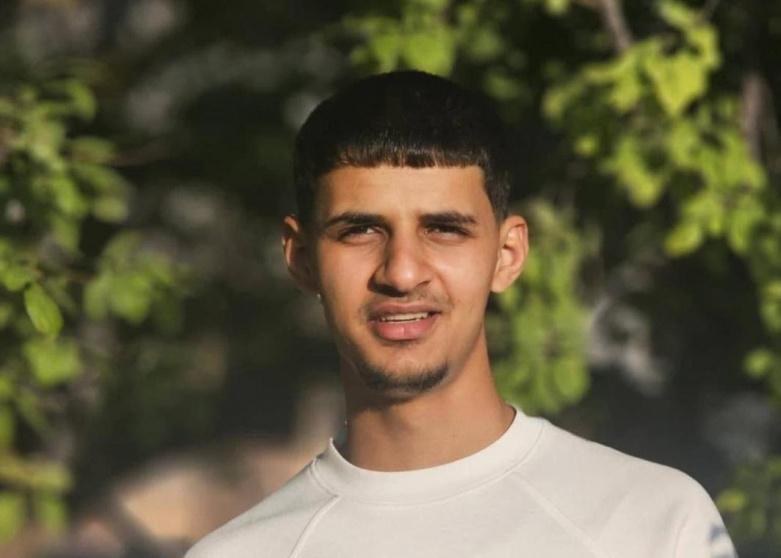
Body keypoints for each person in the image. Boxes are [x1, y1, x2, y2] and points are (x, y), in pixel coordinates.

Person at [186, 70, 736, 558]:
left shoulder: (650, 523)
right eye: (361, 230)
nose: (402, 273)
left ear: (507, 254)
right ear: (302, 259)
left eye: (444, 229)